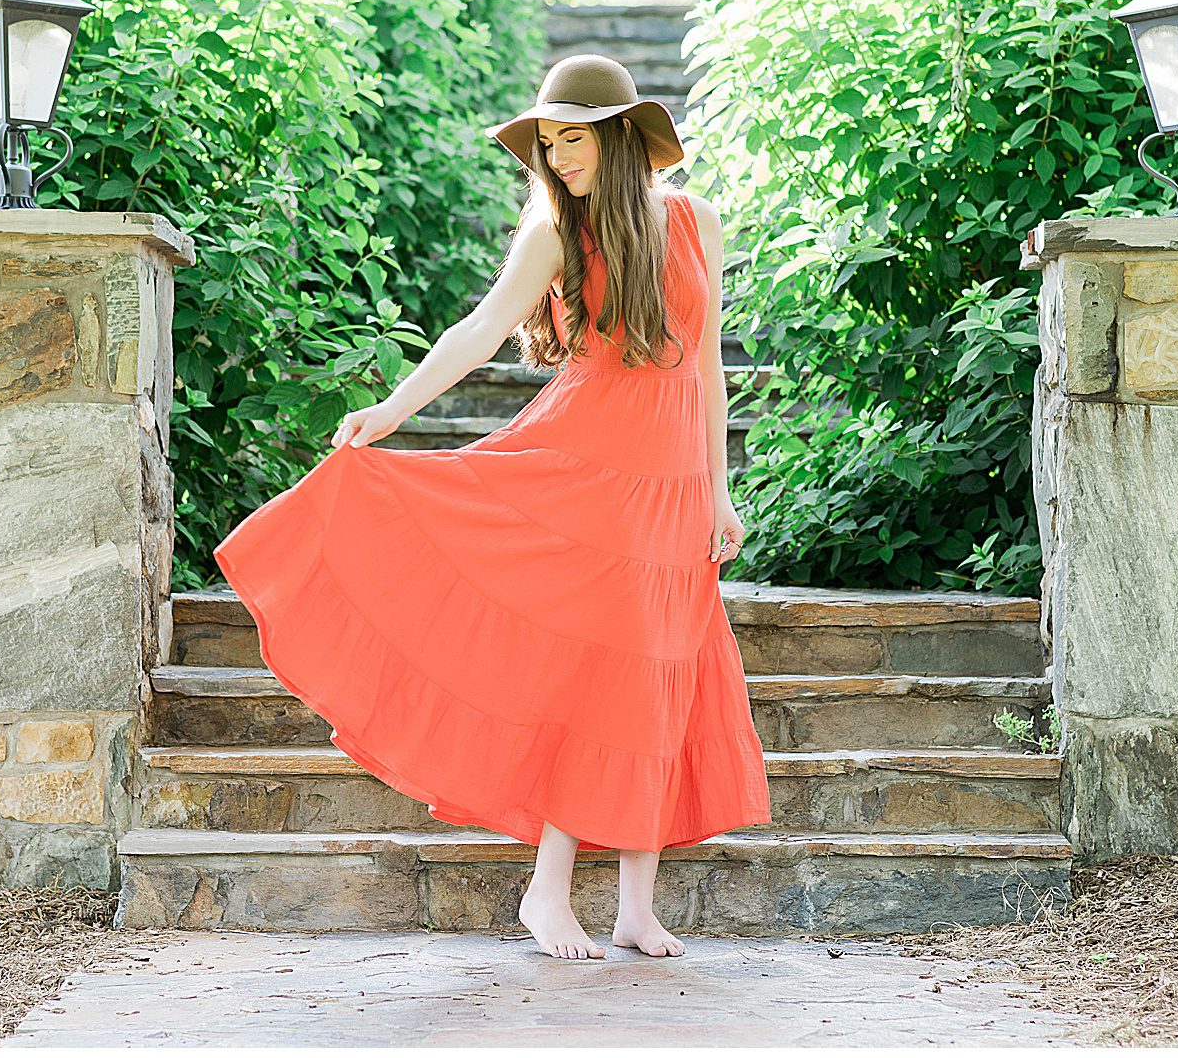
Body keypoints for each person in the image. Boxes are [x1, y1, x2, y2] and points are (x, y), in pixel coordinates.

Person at [212, 53, 772, 962]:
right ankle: (548, 892)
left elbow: (704, 368)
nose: (558, 155)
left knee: (663, 676)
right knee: (605, 683)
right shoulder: (555, 233)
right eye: (547, 142)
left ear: (622, 136)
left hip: (670, 492)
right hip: (585, 474)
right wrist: (393, 409)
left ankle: (636, 905)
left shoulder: (696, 221)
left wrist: (718, 489)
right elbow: (476, 330)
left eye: (572, 138)